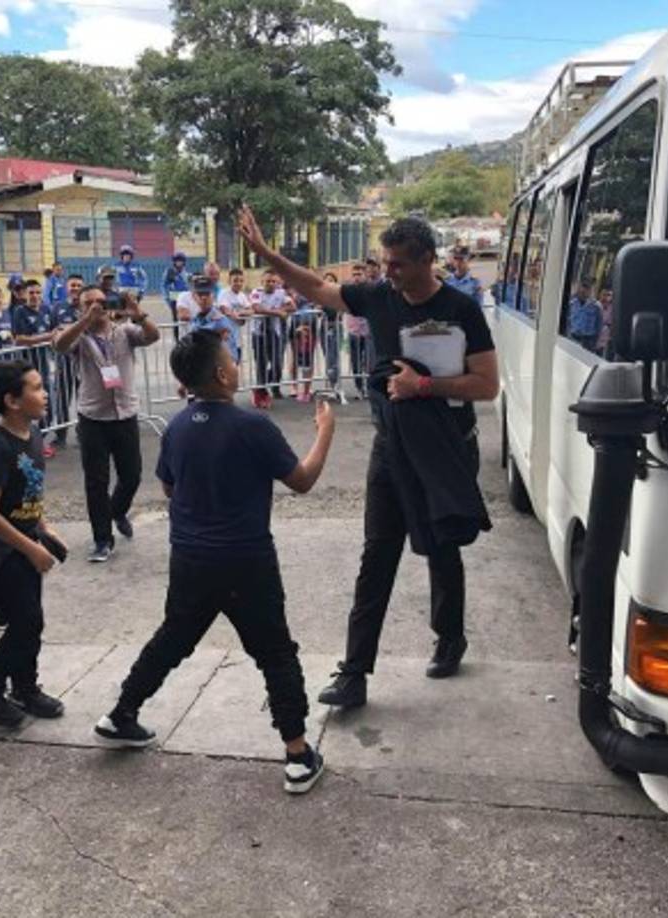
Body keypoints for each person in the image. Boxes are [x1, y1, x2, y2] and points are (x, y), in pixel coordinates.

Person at [238, 208, 499, 708]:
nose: (389, 272)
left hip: (445, 446)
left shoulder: (461, 309)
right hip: (390, 447)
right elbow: (319, 289)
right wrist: (270, 256)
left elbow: (487, 385)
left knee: (443, 546)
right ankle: (355, 672)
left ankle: (450, 636)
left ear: (427, 260)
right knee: (377, 555)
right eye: (385, 263)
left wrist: (423, 385)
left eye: (398, 264)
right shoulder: (378, 296)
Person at [94, 330, 332, 795]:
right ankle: (299, 754)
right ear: (223, 373)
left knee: (172, 639)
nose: (236, 365)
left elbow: (167, 486)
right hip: (245, 560)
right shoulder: (253, 426)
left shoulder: (178, 426)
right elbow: (301, 481)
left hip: (190, 557)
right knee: (275, 652)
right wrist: (325, 433)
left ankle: (121, 713)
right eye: (232, 359)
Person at [0, 360, 66, 727]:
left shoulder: (32, 433)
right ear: (12, 401)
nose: (45, 392)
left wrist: (44, 530)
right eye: (36, 388)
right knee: (26, 621)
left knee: (31, 618)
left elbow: (29, 492)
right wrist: (31, 548)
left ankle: (24, 687)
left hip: (23, 538)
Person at [53, 287, 159, 562]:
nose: (97, 307)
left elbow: (152, 336)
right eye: (89, 303)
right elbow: (60, 345)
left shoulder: (124, 331)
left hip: (124, 414)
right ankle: (102, 539)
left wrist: (138, 314)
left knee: (132, 475)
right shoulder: (77, 333)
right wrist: (85, 321)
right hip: (93, 418)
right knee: (96, 482)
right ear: (80, 307)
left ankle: (117, 509)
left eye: (101, 301)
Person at [13, 279, 57, 456]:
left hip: (44, 365)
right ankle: (27, 442)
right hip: (27, 366)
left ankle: (37, 439)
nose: (35, 296)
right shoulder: (20, 312)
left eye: (38, 292)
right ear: (25, 294)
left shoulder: (47, 310)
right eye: (31, 292)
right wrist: (45, 337)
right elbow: (20, 339)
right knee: (29, 405)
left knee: (48, 406)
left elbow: (55, 333)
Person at [49, 274, 85, 450]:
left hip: (85, 363)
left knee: (84, 399)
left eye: (79, 286)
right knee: (62, 400)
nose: (76, 289)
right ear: (66, 287)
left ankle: (83, 434)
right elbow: (52, 333)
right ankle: (60, 435)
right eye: (73, 285)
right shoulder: (57, 308)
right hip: (63, 363)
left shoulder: (88, 309)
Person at [248, 269, 293, 409]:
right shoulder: (256, 292)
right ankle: (262, 392)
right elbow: (257, 308)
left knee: (277, 363)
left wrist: (280, 309)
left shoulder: (281, 292)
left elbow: (293, 306)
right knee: (261, 363)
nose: (271, 284)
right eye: (268, 281)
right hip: (259, 333)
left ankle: (268, 386)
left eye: (273, 281)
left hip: (275, 332)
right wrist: (277, 312)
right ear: (262, 282)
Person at [186, 275, 235, 356]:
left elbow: (231, 356)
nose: (204, 298)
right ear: (194, 297)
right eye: (200, 294)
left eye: (207, 294)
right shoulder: (195, 320)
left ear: (213, 295)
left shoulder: (221, 322)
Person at [345, 264, 373, 397]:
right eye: (354, 275)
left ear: (365, 275)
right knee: (355, 361)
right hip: (353, 331)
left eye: (359, 274)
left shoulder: (371, 290)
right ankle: (359, 388)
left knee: (369, 361)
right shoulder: (348, 290)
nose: (356, 277)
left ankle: (369, 388)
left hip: (369, 331)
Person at [216, 267, 250, 370]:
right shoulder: (224, 293)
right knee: (225, 367)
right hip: (225, 338)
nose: (238, 283)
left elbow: (251, 310)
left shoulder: (242, 296)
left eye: (241, 281)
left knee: (235, 365)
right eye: (235, 280)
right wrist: (234, 315)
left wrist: (240, 313)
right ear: (229, 281)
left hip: (237, 339)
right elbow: (223, 308)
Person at [566, 280, 603, 353]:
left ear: (590, 291)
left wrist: (595, 342)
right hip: (573, 337)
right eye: (582, 288)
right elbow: (568, 320)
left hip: (588, 340)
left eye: (587, 289)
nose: (583, 291)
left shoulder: (596, 306)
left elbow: (599, 325)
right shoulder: (572, 304)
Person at [162, 252, 190, 324]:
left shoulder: (186, 274)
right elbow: (164, 285)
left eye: (181, 261)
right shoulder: (170, 272)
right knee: (175, 319)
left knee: (186, 317)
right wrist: (167, 297)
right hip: (174, 297)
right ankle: (176, 335)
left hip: (184, 297)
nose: (179, 263)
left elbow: (188, 286)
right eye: (177, 261)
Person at [595, 287, 615, 357]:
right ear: (599, 295)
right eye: (603, 294)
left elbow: (611, 322)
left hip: (605, 338)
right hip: (594, 337)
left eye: (607, 295)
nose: (605, 297)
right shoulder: (595, 305)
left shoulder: (611, 307)